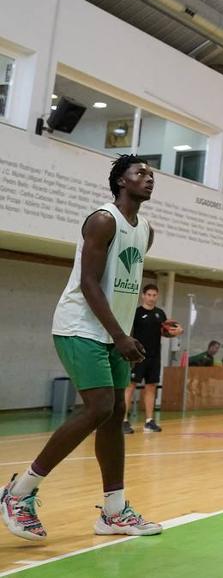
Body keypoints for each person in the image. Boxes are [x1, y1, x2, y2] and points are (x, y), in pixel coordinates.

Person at [2, 155, 162, 541]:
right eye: (140, 172)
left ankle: (114, 511)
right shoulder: (103, 220)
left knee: (114, 411)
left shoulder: (146, 230)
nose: (149, 178)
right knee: (100, 406)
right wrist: (120, 335)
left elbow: (121, 286)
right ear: (120, 181)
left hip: (112, 332)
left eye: (151, 174)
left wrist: (126, 332)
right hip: (79, 326)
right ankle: (18, 494)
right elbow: (90, 283)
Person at [123, 284, 170, 434]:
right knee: (130, 386)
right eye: (148, 295)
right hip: (138, 356)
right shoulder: (136, 313)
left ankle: (149, 421)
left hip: (155, 357)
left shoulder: (160, 314)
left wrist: (176, 332)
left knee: (151, 387)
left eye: (154, 295)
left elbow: (166, 332)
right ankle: (123, 421)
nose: (151, 298)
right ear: (143, 295)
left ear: (157, 297)